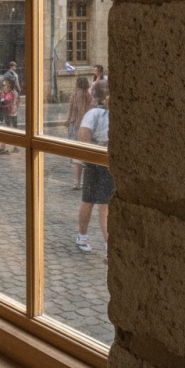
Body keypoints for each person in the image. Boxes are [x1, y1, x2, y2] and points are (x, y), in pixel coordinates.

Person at [75, 80, 112, 258]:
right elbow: (84, 138)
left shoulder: (99, 114)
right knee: (93, 201)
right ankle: (88, 238)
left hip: (105, 163)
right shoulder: (94, 114)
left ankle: (101, 241)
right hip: (97, 162)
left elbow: (84, 138)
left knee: (102, 203)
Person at [66, 77, 93, 189]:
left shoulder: (74, 95)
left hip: (77, 126)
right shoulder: (89, 96)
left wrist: (68, 122)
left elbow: (71, 111)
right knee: (88, 154)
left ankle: (77, 182)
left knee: (77, 156)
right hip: (87, 127)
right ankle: (89, 182)